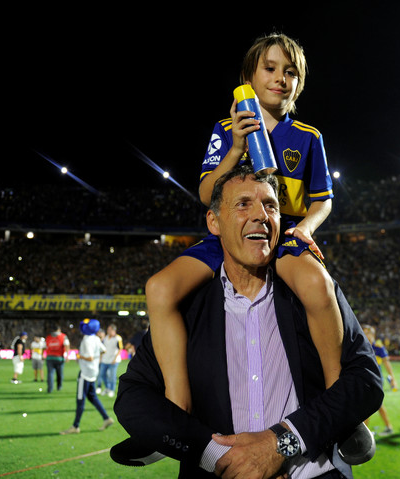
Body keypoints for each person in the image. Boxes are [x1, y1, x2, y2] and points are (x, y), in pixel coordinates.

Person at [113, 165, 383, 478]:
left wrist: (280, 445)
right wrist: (214, 455)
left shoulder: (311, 292)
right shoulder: (188, 308)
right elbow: (133, 397)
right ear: (214, 222)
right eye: (243, 204)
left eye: (271, 205)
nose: (260, 215)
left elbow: (364, 380)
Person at [144, 32, 344, 423]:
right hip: (229, 237)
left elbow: (324, 199)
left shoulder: (308, 137)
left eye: (290, 73)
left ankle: (341, 405)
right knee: (160, 288)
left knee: (318, 285)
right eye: (269, 68)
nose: (280, 79)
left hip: (280, 235)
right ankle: (175, 407)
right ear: (247, 78)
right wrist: (236, 147)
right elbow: (206, 193)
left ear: (299, 83)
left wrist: (304, 228)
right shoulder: (226, 128)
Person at [60, 319, 114, 435]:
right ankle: (106, 418)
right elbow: (103, 350)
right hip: (93, 372)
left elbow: (89, 357)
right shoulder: (95, 338)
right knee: (92, 397)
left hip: (85, 373)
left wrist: (79, 356)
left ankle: (75, 426)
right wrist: (96, 360)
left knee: (80, 399)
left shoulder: (87, 340)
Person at [362, 324, 396, 435]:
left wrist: (393, 378)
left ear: (373, 334)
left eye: (367, 332)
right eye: (364, 332)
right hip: (364, 379)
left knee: (368, 405)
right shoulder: (360, 345)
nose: (365, 334)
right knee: (377, 405)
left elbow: (387, 363)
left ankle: (365, 432)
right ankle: (388, 427)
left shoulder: (378, 347)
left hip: (376, 379)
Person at [99, 323, 123, 398]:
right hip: (105, 359)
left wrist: (115, 359)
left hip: (113, 360)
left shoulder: (117, 338)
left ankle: (112, 390)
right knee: (102, 374)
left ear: (113, 330)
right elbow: (103, 349)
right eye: (108, 330)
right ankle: (107, 388)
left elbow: (120, 349)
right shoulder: (106, 337)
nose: (108, 331)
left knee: (112, 376)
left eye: (109, 330)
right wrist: (101, 357)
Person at [44, 324, 70, 393]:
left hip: (49, 358)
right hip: (59, 358)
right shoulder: (63, 336)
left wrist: (43, 355)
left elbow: (45, 347)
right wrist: (67, 356)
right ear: (59, 329)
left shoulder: (48, 337)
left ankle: (50, 389)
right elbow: (67, 346)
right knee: (60, 374)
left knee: (50, 374)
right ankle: (59, 386)